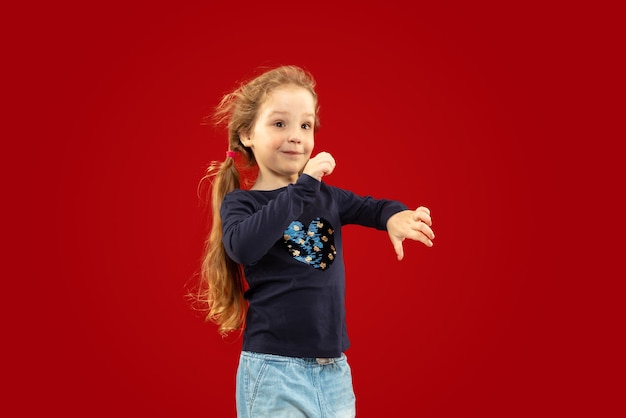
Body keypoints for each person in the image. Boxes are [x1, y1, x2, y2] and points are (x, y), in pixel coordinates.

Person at [197, 65, 435, 417]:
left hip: (333, 371)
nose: (296, 136)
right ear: (247, 134)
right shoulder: (243, 203)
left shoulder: (328, 197)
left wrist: (394, 216)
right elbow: (243, 247)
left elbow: (372, 207)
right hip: (274, 370)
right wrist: (303, 187)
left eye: (305, 125)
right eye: (280, 124)